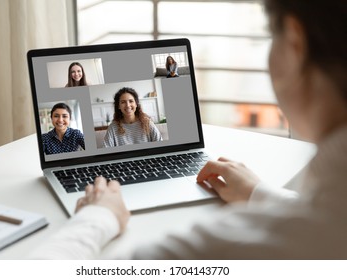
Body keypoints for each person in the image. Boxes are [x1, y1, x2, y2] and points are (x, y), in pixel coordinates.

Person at [32, 0, 347, 259]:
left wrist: (98, 217)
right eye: (123, 103)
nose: (128, 106)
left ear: (295, 41)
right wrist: (260, 193)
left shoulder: (233, 248)